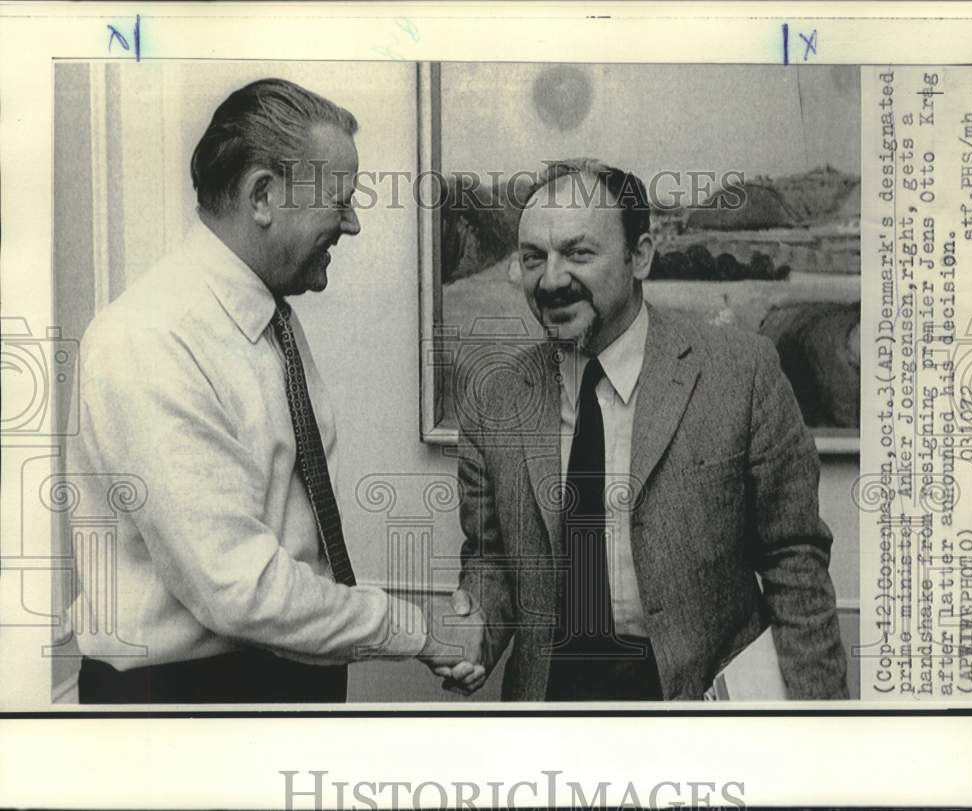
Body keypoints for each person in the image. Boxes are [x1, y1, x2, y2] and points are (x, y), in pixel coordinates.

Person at [67, 78, 480, 703]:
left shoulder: (271, 324)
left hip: (270, 684)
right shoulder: (151, 339)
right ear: (264, 195)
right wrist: (419, 631)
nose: (353, 223)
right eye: (339, 200)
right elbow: (240, 590)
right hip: (186, 713)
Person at [437, 159, 849, 700]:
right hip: (554, 709)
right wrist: (475, 628)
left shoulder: (740, 373)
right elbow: (491, 562)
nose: (552, 279)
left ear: (640, 256)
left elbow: (793, 560)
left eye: (579, 253)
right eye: (534, 257)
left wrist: (818, 728)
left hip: (702, 709)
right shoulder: (495, 400)